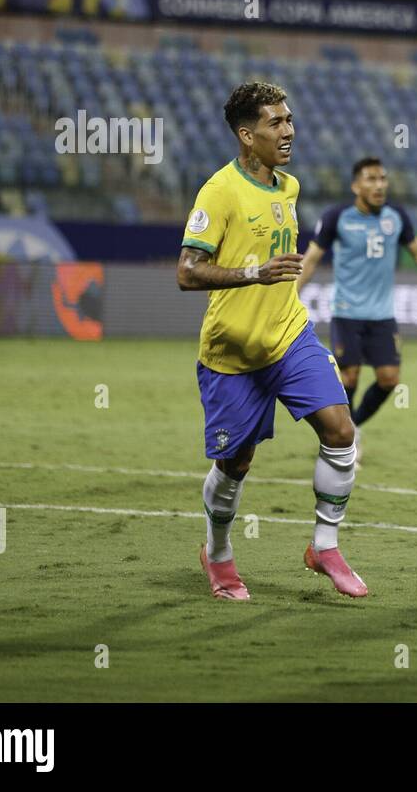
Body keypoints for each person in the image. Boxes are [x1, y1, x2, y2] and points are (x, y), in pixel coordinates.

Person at [177, 81, 366, 600]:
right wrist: (252, 273)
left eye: (289, 120)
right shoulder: (219, 192)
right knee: (235, 465)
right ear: (246, 134)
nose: (289, 131)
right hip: (232, 352)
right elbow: (187, 273)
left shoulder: (289, 187)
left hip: (289, 335)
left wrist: (270, 279)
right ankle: (217, 553)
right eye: (276, 123)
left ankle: (324, 546)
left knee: (341, 431)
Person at [296, 157, 417, 436]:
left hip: (382, 315)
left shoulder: (396, 216)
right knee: (349, 376)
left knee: (389, 379)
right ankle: (344, 439)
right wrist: (291, 294)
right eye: (371, 179)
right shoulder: (336, 217)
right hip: (346, 311)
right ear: (355, 186)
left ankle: (352, 426)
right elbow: (312, 258)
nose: (379, 185)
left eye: (382, 179)